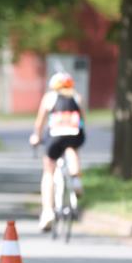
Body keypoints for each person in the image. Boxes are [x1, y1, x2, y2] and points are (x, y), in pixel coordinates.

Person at [29, 72, 85, 232]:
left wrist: (36, 137)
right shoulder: (77, 97)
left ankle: (47, 212)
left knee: (48, 171)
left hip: (55, 136)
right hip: (75, 134)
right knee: (72, 150)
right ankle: (76, 180)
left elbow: (40, 122)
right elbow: (83, 120)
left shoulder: (49, 97)